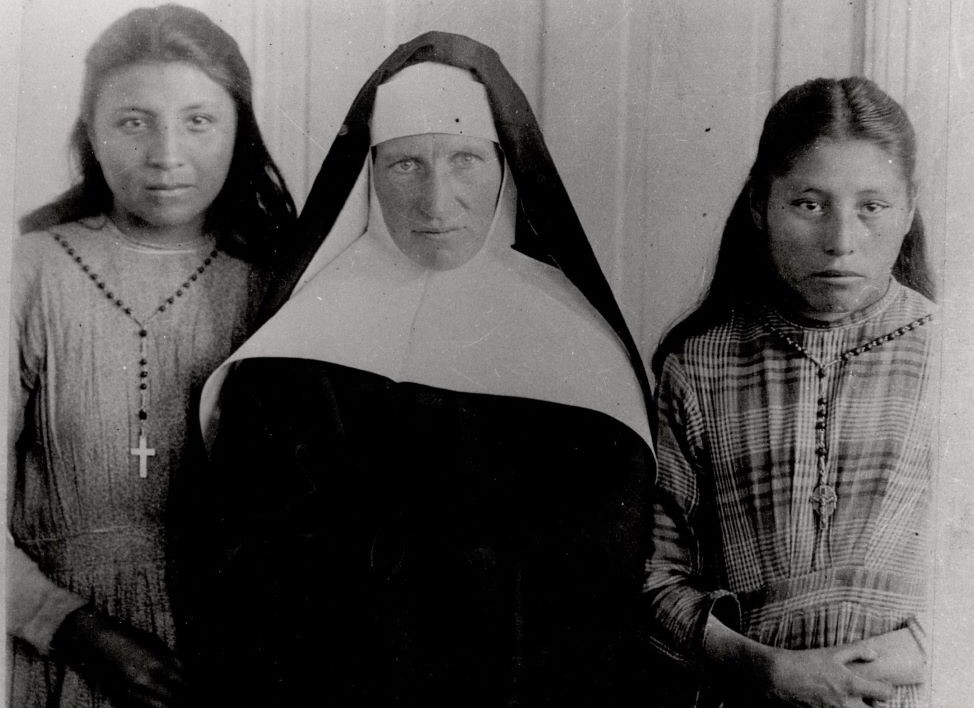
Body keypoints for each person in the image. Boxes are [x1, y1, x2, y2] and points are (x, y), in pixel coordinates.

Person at [193, 30, 656, 707]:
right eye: (407, 164)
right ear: (368, 174)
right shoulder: (291, 352)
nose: (437, 203)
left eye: (465, 160)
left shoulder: (581, 350)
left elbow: (599, 585)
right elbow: (260, 568)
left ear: (507, 168)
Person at [7, 5, 296, 707]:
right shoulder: (26, 271)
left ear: (239, 131)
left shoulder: (279, 287)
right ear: (91, 133)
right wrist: (71, 628)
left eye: (199, 121)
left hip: (234, 658)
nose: (167, 154)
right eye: (134, 121)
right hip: (59, 660)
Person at [645, 76, 936, 708]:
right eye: (809, 203)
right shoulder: (700, 366)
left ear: (909, 208)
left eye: (872, 206)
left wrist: (923, 645)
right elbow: (655, 573)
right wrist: (765, 669)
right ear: (760, 204)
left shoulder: (963, 358)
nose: (840, 240)